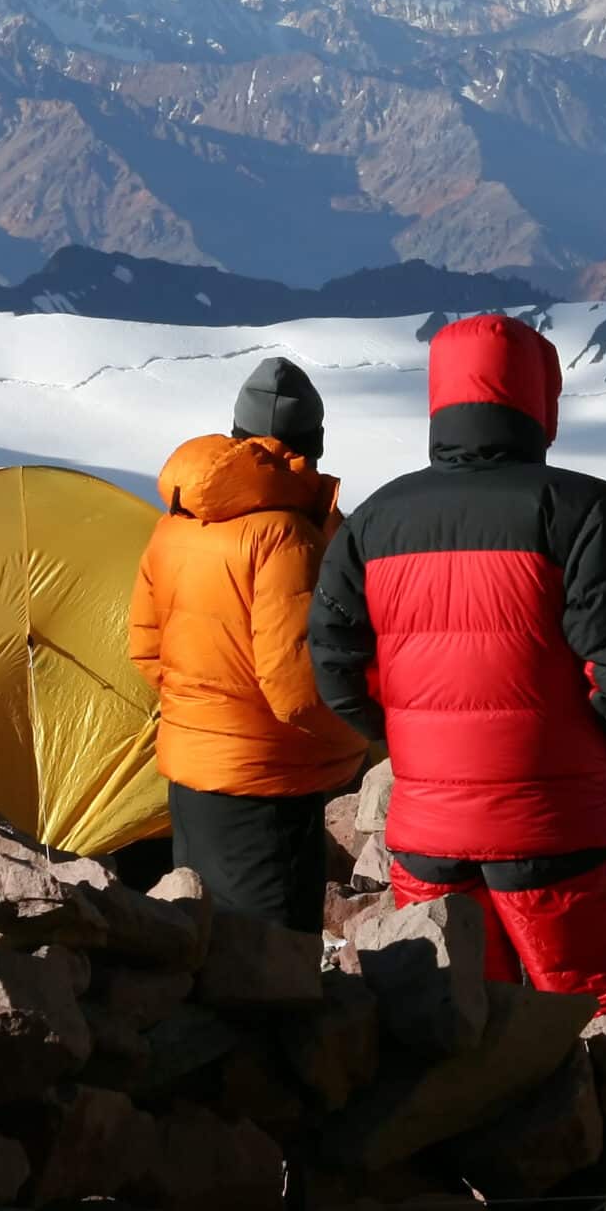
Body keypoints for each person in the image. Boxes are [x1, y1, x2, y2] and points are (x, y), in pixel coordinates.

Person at [308, 313, 606, 1010]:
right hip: (553, 825)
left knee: (465, 1019)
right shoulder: (582, 509)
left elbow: (334, 661)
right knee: (595, 1012)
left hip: (427, 833)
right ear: (540, 402)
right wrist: (603, 745)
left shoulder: (375, 521)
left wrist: (412, 742)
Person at [128, 357, 368, 932]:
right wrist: (366, 735)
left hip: (192, 776)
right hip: (268, 783)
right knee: (270, 969)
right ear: (314, 442)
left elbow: (145, 649)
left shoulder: (178, 521)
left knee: (207, 945)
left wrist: (207, 719)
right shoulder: (284, 534)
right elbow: (299, 691)